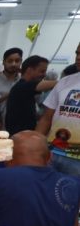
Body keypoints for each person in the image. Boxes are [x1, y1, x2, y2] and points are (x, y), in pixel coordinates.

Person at [37, 41, 80, 177]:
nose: (78, 57)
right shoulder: (64, 82)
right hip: (53, 152)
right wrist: (35, 145)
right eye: (77, 53)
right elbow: (46, 118)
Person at [5, 55, 57, 136]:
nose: (44, 75)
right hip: (20, 137)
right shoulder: (22, 87)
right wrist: (68, 81)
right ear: (29, 70)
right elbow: (41, 85)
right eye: (42, 71)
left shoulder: (25, 89)